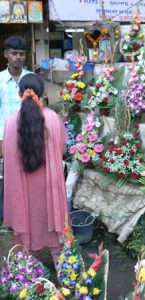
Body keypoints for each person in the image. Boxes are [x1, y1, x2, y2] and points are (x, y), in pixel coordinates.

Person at [3, 73, 69, 262]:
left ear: (19, 93)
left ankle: (29, 276)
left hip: (23, 192)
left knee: (28, 228)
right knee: (54, 233)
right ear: (43, 93)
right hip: (50, 188)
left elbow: (9, 160)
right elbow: (62, 151)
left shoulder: (10, 123)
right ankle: (66, 275)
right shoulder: (53, 119)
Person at [0, 35, 31, 219]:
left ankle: (25, 214)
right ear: (6, 54)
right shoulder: (0, 80)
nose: (18, 57)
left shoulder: (32, 78)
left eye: (21, 53)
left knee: (27, 175)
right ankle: (6, 215)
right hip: (5, 137)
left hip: (28, 136)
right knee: (6, 178)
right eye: (14, 53)